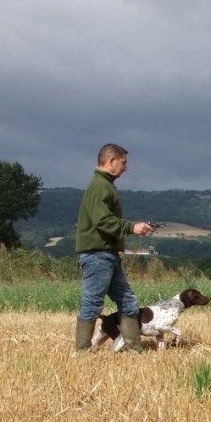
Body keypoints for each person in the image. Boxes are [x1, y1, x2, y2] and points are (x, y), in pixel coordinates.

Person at [73, 144, 155, 352]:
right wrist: (131, 227)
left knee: (127, 300)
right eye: (123, 162)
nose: (126, 168)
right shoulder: (100, 187)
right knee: (93, 303)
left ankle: (134, 350)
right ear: (111, 161)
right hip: (98, 255)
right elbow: (103, 220)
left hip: (107, 254)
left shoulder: (104, 185)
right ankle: (81, 353)